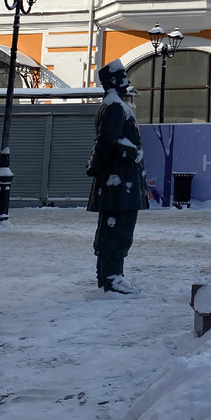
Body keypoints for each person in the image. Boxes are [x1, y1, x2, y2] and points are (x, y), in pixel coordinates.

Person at [86, 60, 148, 295]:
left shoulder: (113, 105)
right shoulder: (115, 107)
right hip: (120, 181)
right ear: (112, 80)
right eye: (123, 76)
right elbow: (106, 141)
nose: (127, 81)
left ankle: (107, 276)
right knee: (118, 231)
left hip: (117, 180)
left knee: (112, 229)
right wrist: (96, 165)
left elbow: (106, 141)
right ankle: (112, 278)